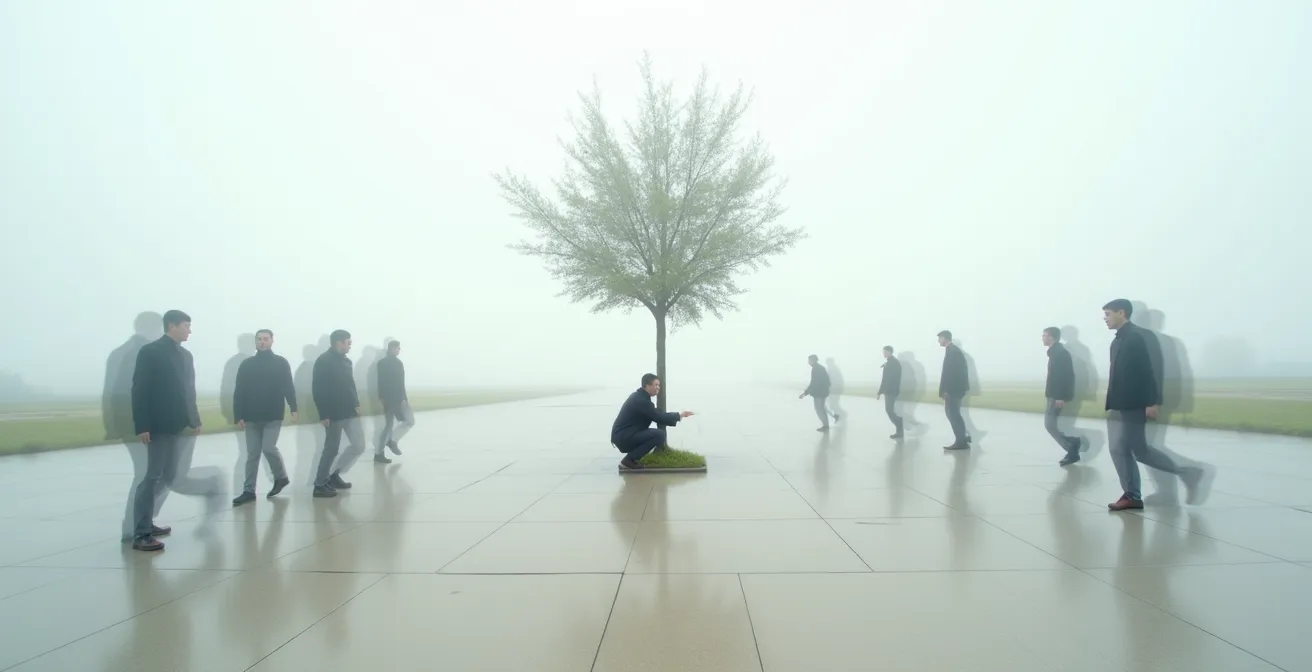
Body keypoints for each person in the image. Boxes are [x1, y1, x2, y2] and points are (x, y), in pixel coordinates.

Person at [1102, 299, 1209, 511]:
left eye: (1107, 314)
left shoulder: (1141, 336)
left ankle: (1189, 473)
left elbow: (1152, 370)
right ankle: (1132, 495)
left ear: (1121, 313)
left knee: (1140, 450)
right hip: (1121, 404)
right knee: (1122, 448)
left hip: (1137, 403)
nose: (1105, 319)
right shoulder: (1118, 340)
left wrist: (1152, 401)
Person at [129, 310, 203, 552]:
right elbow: (140, 390)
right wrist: (143, 425)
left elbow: (188, 390)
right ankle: (141, 533)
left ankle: (148, 521)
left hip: (177, 425)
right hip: (158, 425)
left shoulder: (185, 355)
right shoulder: (151, 352)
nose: (189, 330)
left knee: (169, 475)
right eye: (186, 325)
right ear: (171, 326)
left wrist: (194, 419)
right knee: (151, 477)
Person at [231, 329, 296, 505]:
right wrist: (239, 415)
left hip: (273, 414)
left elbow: (288, 386)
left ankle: (280, 477)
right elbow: (240, 390)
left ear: (272, 341)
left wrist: (294, 408)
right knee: (252, 454)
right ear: (255, 342)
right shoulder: (247, 364)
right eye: (259, 339)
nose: (262, 342)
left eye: (265, 339)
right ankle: (248, 490)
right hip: (251, 416)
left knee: (268, 447)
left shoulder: (281, 363)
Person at [312, 329, 365, 498]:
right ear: (339, 342)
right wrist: (323, 414)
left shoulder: (347, 362)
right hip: (333, 413)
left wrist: (356, 404)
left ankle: (334, 475)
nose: (350, 346)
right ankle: (319, 484)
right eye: (348, 343)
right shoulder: (323, 361)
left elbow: (351, 385)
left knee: (359, 445)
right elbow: (318, 389)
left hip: (350, 411)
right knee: (331, 449)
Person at [610, 374, 694, 470]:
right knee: (659, 434)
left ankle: (630, 459)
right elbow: (658, 416)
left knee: (656, 434)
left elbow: (656, 413)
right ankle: (628, 461)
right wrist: (679, 415)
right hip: (624, 437)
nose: (658, 387)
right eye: (656, 385)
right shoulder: (641, 400)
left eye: (659, 385)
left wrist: (677, 415)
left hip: (624, 435)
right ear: (647, 385)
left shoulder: (639, 397)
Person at [1043, 326, 1082, 465]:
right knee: (1050, 425)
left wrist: (1060, 396)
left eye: (1044, 335)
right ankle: (1072, 444)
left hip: (1055, 396)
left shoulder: (1060, 353)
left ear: (1052, 337)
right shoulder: (1055, 353)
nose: (1043, 338)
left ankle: (1071, 446)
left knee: (1049, 425)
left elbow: (1064, 376)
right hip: (1053, 395)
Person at [374, 340, 412, 464]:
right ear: (390, 348)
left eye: (399, 348)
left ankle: (390, 443)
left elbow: (402, 383)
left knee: (404, 422)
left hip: (398, 398)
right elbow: (381, 382)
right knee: (390, 425)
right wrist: (383, 398)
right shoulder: (383, 363)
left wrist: (404, 398)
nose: (398, 350)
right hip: (391, 399)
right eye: (396, 348)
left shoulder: (398, 363)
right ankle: (383, 450)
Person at [937, 330, 970, 449]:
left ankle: (961, 442)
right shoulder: (952, 351)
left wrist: (947, 391)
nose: (938, 341)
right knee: (954, 414)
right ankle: (963, 438)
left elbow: (951, 374)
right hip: (955, 389)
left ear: (945, 338)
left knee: (953, 414)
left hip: (953, 390)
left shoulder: (953, 352)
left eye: (940, 338)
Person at [798, 354, 835, 432]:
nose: (808, 362)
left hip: (820, 393)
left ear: (813, 360)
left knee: (819, 409)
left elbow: (814, 383)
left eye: (809, 360)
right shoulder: (818, 368)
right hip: (821, 392)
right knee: (822, 409)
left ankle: (826, 426)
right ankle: (827, 423)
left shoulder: (817, 369)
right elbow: (824, 382)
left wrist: (805, 393)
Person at [877, 346, 904, 438]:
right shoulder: (890, 363)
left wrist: (881, 391)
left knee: (889, 410)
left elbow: (888, 379)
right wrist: (880, 392)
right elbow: (885, 379)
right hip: (889, 390)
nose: (883, 354)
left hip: (891, 391)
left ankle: (899, 425)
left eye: (884, 352)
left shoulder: (894, 363)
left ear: (889, 352)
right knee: (889, 410)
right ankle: (899, 430)